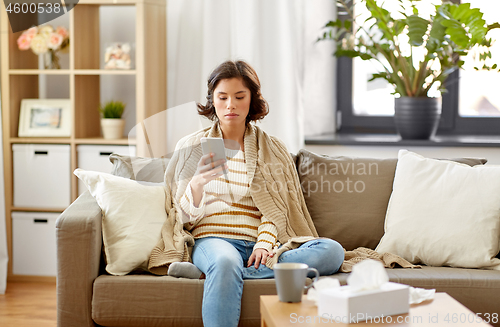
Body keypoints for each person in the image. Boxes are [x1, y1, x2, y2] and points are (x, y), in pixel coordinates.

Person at [165, 60, 344, 327]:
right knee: (225, 261)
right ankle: (220, 269)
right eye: (222, 97)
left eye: (239, 97)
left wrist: (264, 243)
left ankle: (212, 273)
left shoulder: (272, 149)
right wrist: (198, 184)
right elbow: (180, 219)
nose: (231, 105)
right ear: (212, 101)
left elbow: (278, 209)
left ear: (252, 100)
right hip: (214, 241)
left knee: (332, 251)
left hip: (260, 249)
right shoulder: (191, 147)